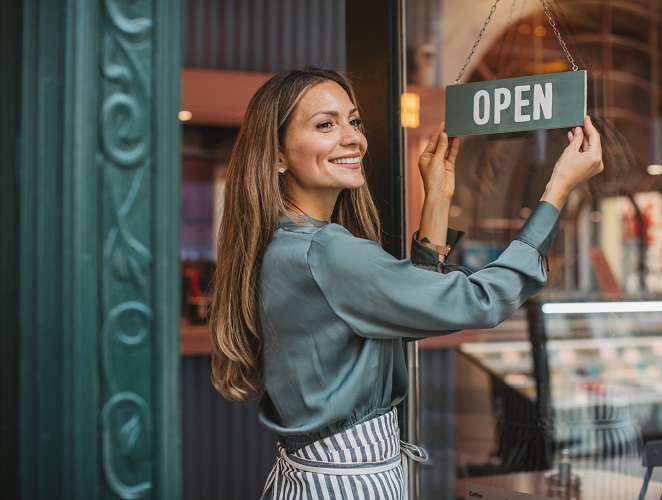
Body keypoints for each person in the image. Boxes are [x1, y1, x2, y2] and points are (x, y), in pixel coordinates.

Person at [209, 66, 603, 499]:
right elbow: (481, 301)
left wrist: (436, 197)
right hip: (349, 485)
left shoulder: (283, 243)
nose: (353, 137)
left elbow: (415, 303)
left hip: (310, 476)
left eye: (353, 121)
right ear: (278, 155)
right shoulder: (327, 251)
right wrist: (557, 191)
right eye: (326, 124)